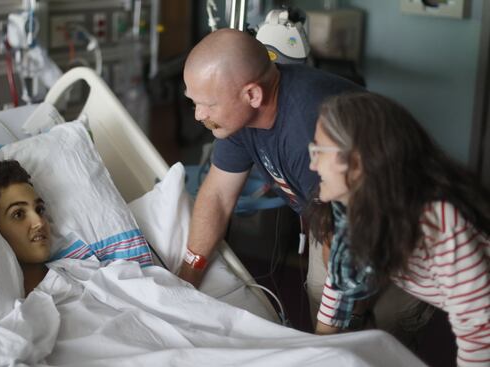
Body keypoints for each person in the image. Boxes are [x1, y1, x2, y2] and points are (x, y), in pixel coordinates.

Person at [181, 28, 371, 322]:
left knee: (374, 331)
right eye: (194, 102)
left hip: (393, 223)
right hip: (333, 218)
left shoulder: (310, 130)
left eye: (208, 104)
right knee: (324, 303)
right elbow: (218, 195)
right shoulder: (235, 118)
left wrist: (333, 334)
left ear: (252, 94)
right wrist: (184, 281)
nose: (198, 115)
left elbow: (345, 240)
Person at [307, 91, 490, 366]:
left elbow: (479, 332)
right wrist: (315, 349)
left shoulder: (436, 220)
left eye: (319, 152)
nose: (312, 164)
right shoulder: (351, 209)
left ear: (356, 163)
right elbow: (339, 282)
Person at [0, 160, 51, 296]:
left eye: (39, 209)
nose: (39, 222)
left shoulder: (87, 275)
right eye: (18, 214)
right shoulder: (12, 313)